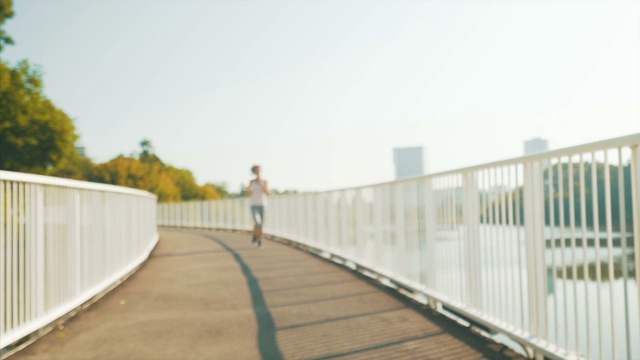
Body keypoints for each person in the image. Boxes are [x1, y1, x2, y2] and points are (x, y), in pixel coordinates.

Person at [247, 164, 270, 247]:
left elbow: (267, 192)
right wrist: (250, 189)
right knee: (257, 222)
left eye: (259, 170)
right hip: (254, 204)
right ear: (254, 172)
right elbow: (248, 192)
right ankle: (255, 235)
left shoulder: (264, 181)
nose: (258, 171)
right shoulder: (252, 182)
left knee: (261, 224)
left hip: (263, 204)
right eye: (257, 170)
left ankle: (259, 240)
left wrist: (263, 185)